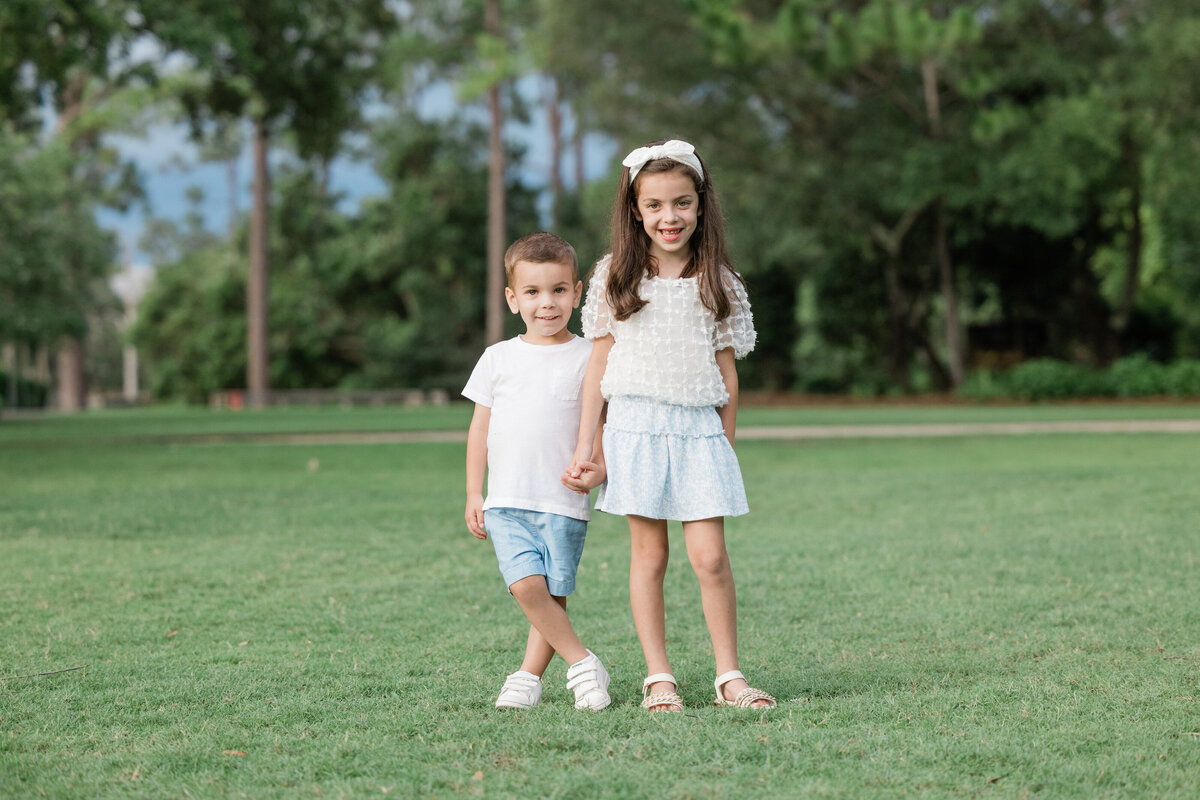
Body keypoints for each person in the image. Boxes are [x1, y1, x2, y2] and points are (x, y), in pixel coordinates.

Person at [567, 139, 776, 712]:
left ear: (701, 205)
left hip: (699, 432)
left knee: (709, 556)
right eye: (655, 205)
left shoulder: (719, 281)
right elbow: (598, 369)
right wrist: (589, 445)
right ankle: (659, 677)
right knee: (649, 556)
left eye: (681, 203)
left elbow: (728, 375)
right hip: (633, 428)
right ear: (635, 209)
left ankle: (729, 675)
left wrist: (725, 443)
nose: (669, 217)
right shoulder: (616, 276)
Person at [463, 231, 612, 711]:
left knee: (552, 593)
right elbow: (478, 431)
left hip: (563, 500)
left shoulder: (591, 356)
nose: (546, 303)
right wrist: (473, 492)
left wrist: (600, 469)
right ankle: (582, 663)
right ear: (512, 299)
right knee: (526, 585)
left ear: (577, 292)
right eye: (532, 292)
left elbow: (604, 426)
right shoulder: (498, 358)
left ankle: (527, 678)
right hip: (507, 499)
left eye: (558, 290)